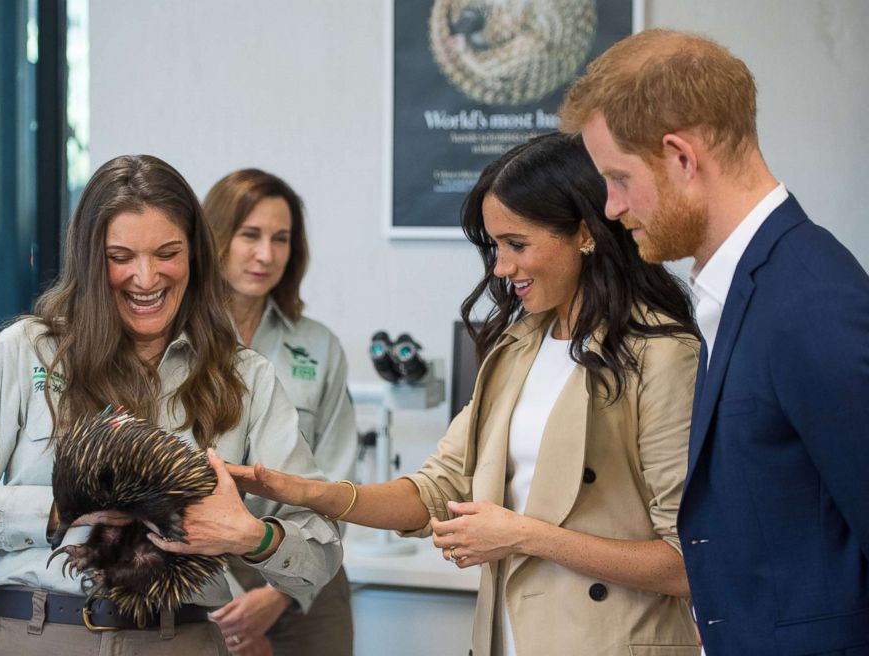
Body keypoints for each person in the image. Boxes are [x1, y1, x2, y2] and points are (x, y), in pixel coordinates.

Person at [231, 132, 702, 655]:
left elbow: (690, 562)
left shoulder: (662, 354)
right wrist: (310, 494)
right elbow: (438, 488)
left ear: (586, 234)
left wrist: (525, 536)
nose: (501, 268)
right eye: (496, 247)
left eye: (516, 244)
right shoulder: (516, 347)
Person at [0, 154, 341, 656]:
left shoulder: (246, 377)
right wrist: (64, 510)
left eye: (167, 253)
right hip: (36, 632)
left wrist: (254, 536)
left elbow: (321, 548)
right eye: (120, 256)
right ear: (88, 258)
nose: (146, 278)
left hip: (178, 636)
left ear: (194, 254)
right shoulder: (26, 352)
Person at [559, 29, 869, 656]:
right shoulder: (735, 291)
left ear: (681, 157)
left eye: (618, 179)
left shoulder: (811, 301)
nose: (612, 209)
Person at [201, 169, 357, 656]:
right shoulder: (177, 341)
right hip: (200, 568)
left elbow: (338, 478)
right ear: (215, 238)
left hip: (308, 572)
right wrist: (227, 592)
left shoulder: (318, 346)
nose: (265, 255)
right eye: (250, 235)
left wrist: (281, 590)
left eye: (280, 238)